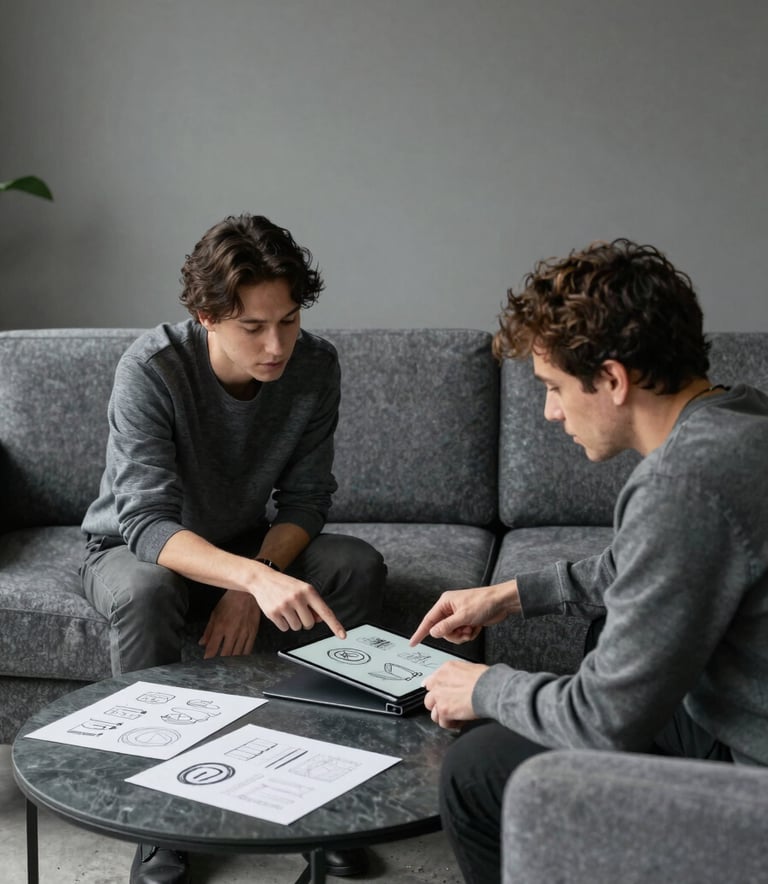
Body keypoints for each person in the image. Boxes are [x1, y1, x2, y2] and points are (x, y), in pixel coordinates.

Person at [409, 238, 768, 884]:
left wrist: (484, 688)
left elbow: (601, 720)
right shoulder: (739, 415)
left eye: (552, 387)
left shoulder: (683, 483)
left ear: (612, 379)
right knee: (605, 630)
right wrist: (508, 595)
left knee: (475, 772)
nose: (547, 411)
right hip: (733, 710)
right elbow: (646, 567)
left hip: (751, 776)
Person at [81, 213, 386, 884]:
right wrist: (250, 579)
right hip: (137, 549)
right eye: (253, 327)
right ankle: (159, 825)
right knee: (145, 591)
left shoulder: (315, 368)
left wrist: (252, 578)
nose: (276, 345)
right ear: (205, 315)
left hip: (247, 547)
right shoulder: (154, 368)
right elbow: (147, 526)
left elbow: (307, 500)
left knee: (355, 565)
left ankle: (334, 802)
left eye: (289, 321)